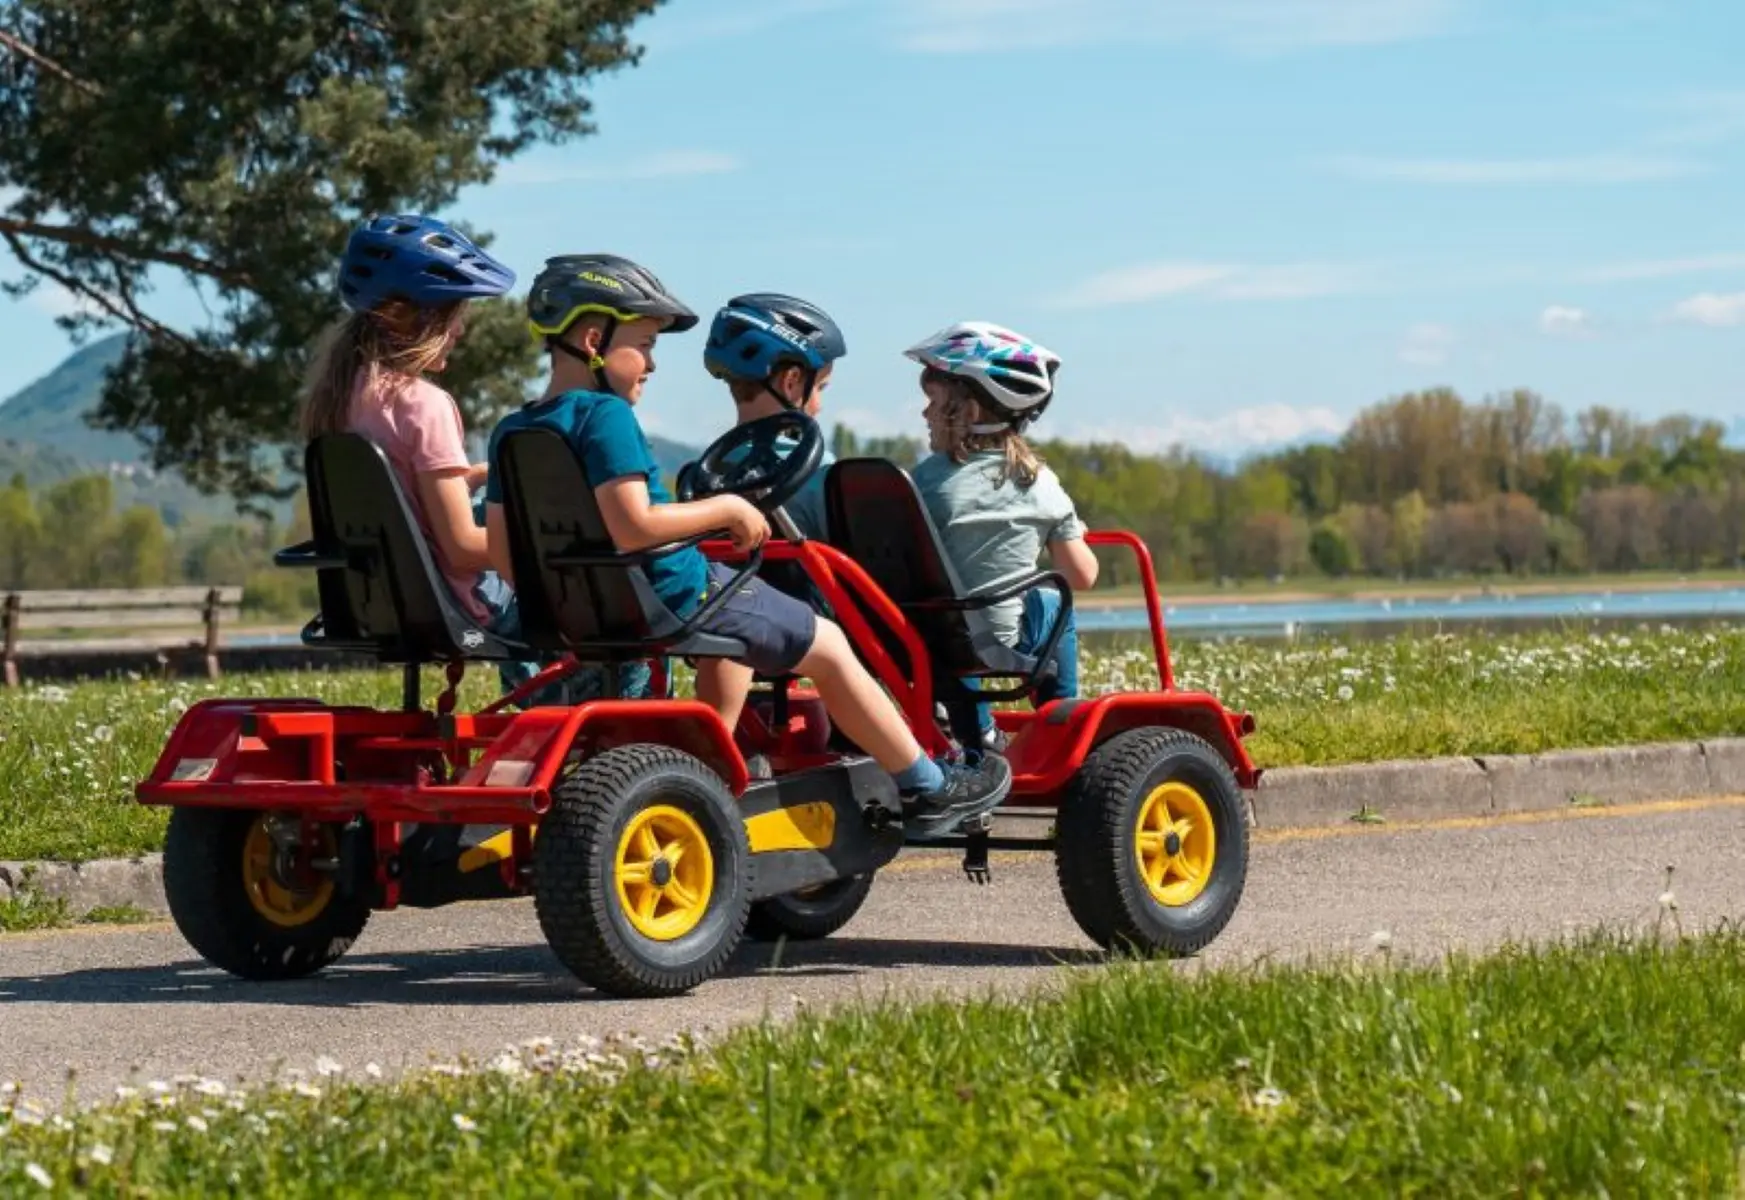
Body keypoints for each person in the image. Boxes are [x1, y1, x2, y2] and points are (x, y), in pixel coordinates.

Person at [481, 255, 1013, 838]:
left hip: (589, 611)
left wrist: (574, 597)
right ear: (592, 339)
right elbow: (634, 525)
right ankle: (927, 785)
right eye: (645, 344)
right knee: (829, 644)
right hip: (677, 592)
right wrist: (728, 510)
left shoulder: (516, 429)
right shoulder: (605, 415)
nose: (653, 363)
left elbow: (508, 553)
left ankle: (708, 773)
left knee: (734, 637)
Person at [298, 213, 513, 627]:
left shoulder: (337, 400)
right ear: (412, 317)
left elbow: (398, 506)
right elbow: (464, 549)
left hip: (378, 606)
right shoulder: (424, 405)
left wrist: (467, 480)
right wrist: (538, 548)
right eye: (455, 314)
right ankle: (563, 690)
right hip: (455, 610)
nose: (460, 330)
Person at [903, 322, 1100, 748]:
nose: (924, 415)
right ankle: (1059, 720)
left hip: (924, 646)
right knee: (1051, 600)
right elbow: (1082, 576)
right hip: (1000, 643)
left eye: (932, 403)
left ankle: (978, 739)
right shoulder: (1039, 484)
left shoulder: (919, 482)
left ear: (970, 413)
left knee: (956, 618)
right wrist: (1070, 532)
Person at [701, 292, 845, 542]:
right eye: (820, 388)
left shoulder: (706, 474)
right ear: (791, 382)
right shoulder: (821, 471)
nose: (820, 405)